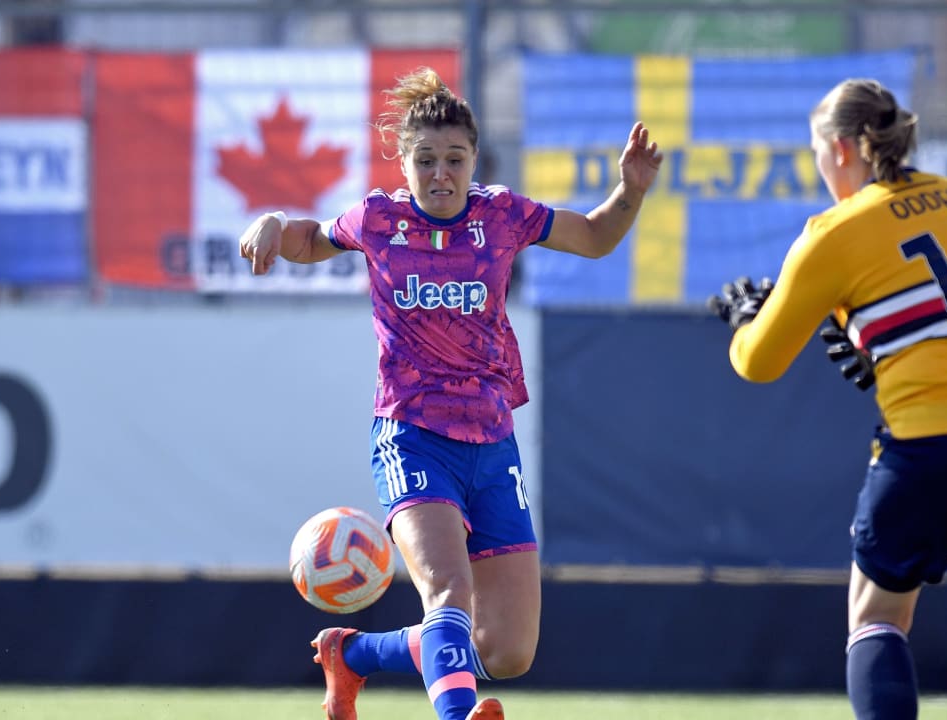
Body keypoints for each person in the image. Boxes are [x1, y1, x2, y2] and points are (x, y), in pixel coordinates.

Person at [238, 67, 661, 720]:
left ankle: (352, 656)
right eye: (425, 160)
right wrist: (272, 221)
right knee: (448, 594)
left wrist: (629, 191)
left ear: (474, 160)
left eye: (454, 159)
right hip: (412, 434)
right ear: (404, 164)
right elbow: (310, 240)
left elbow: (597, 237)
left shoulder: (503, 214)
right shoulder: (378, 219)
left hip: (492, 442)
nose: (441, 174)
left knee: (509, 649)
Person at [707, 78, 947, 720]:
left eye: (819, 154)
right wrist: (876, 341)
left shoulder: (833, 230)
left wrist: (750, 319)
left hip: (934, 446)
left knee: (877, 620)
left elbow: (760, 362)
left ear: (845, 149)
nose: (822, 170)